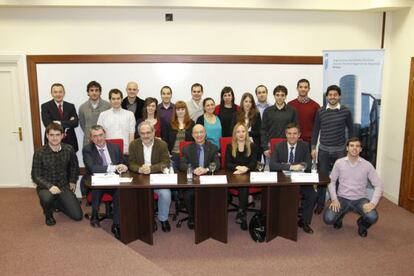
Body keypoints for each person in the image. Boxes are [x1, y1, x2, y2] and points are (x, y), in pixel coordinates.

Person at [323, 137, 383, 238]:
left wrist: (373, 203)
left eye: (357, 146)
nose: (354, 148)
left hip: (360, 200)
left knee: (373, 217)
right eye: (351, 146)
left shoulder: (367, 165)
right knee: (328, 218)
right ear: (347, 148)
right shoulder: (339, 163)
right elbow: (331, 181)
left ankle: (362, 224)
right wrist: (334, 199)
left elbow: (379, 185)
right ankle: (339, 216)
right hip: (342, 198)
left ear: (360, 149)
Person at [311, 85, 353, 214]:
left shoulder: (346, 111)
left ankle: (339, 202)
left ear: (339, 96)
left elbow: (351, 130)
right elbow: (316, 130)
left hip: (340, 150)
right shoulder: (320, 111)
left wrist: (351, 149)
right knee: (323, 178)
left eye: (335, 94)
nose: (332, 97)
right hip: (323, 149)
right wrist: (313, 147)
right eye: (330, 95)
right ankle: (320, 203)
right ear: (327, 96)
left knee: (340, 178)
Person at [31, 123, 83, 226]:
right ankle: (48, 214)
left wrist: (72, 181)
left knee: (77, 216)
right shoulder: (39, 152)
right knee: (46, 198)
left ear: (62, 136)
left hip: (63, 186)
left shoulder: (69, 149)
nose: (55, 138)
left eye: (57, 134)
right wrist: (50, 186)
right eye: (51, 135)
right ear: (47, 136)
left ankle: (57, 203)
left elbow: (74, 167)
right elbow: (35, 175)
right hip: (45, 187)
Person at [269, 123, 317, 234]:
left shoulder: (304, 145)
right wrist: (291, 166)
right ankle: (278, 220)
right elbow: (272, 165)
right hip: (283, 181)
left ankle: (304, 222)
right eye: (289, 133)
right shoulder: (278, 146)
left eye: (295, 133)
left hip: (300, 179)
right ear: (285, 134)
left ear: (299, 135)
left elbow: (308, 165)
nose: (292, 136)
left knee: (312, 194)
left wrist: (301, 166)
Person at [82, 125, 128, 239]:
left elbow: (123, 162)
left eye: (101, 135)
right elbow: (93, 168)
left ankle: (116, 224)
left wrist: (123, 166)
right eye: (95, 136)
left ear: (105, 134)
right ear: (91, 138)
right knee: (97, 188)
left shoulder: (115, 147)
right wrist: (114, 167)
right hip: (97, 180)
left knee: (119, 193)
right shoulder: (87, 149)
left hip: (114, 180)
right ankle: (95, 214)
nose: (98, 138)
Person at [129, 121, 172, 232]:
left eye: (148, 132)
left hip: (157, 176)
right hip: (140, 178)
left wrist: (151, 168)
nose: (146, 135)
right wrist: (139, 169)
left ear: (154, 132)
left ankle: (163, 219)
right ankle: (146, 219)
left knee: (166, 193)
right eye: (142, 133)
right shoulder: (134, 144)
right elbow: (131, 163)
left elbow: (165, 162)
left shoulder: (162, 144)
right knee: (137, 194)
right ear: (139, 134)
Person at [179, 124, 220, 229]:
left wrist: (206, 169)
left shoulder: (213, 148)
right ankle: (191, 217)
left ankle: (212, 216)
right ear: (192, 135)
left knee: (220, 193)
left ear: (205, 134)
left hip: (208, 180)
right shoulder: (186, 149)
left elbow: (217, 164)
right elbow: (182, 165)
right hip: (193, 180)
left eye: (201, 132)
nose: (199, 135)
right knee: (189, 195)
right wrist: (193, 170)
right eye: (196, 133)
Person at [225, 123, 258, 230]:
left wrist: (246, 168)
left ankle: (241, 213)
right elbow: (227, 164)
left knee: (243, 185)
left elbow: (253, 163)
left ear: (246, 133)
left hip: (248, 175)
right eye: (238, 131)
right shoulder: (230, 146)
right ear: (235, 134)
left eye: (243, 131)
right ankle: (242, 213)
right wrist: (239, 167)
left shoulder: (252, 145)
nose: (241, 134)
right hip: (234, 174)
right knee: (242, 184)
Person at [261, 85, 298, 158]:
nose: (280, 97)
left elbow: (296, 129)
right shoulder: (267, 111)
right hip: (271, 146)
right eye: (277, 95)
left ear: (285, 96)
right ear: (274, 96)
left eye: (282, 95)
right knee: (272, 168)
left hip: (287, 146)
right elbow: (263, 131)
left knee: (287, 168)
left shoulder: (292, 110)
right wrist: (265, 147)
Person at [41, 83, 79, 152]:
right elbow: (47, 123)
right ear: (51, 93)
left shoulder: (70, 106)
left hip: (69, 141)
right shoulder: (45, 106)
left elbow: (75, 122)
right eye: (55, 92)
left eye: (60, 92)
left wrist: (59, 122)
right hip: (53, 141)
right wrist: (68, 122)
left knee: (71, 162)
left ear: (64, 93)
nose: (58, 94)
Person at [97, 89, 135, 155]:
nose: (116, 101)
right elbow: (99, 134)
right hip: (108, 151)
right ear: (110, 100)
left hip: (125, 151)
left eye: (118, 98)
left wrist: (130, 150)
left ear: (122, 99)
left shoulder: (130, 114)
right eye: (113, 99)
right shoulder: (103, 115)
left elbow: (131, 134)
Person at [162, 101, 195, 169]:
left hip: (187, 155)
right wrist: (167, 153)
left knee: (187, 175)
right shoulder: (169, 124)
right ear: (175, 111)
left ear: (186, 110)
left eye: (182, 109)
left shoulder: (191, 123)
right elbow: (165, 140)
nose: (180, 111)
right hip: (174, 155)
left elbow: (194, 140)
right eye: (178, 109)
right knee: (174, 176)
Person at [288, 79, 320, 146]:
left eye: (305, 87)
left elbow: (316, 127)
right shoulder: (290, 104)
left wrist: (314, 145)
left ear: (309, 89)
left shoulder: (315, 106)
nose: (303, 89)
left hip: (309, 142)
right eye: (301, 87)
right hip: (292, 140)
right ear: (297, 88)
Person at [78, 81, 111, 146]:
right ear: (88, 93)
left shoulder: (108, 106)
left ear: (100, 92)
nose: (94, 93)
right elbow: (82, 125)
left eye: (96, 90)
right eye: (91, 90)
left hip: (104, 140)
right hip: (88, 140)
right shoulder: (82, 107)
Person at [233, 92, 262, 161]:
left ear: (252, 104)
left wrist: (246, 133)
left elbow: (259, 131)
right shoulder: (236, 114)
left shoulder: (256, 115)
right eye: (246, 101)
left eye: (250, 102)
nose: (248, 103)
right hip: (239, 144)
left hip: (254, 144)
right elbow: (233, 130)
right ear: (242, 102)